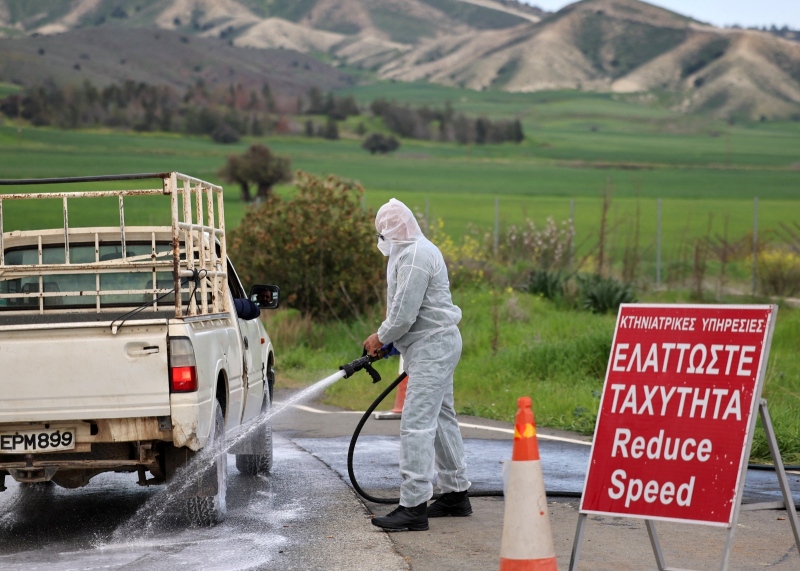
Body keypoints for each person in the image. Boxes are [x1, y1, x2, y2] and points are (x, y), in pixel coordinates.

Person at [363, 198, 471, 532]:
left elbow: (404, 313)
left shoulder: (415, 257)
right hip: (430, 344)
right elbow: (406, 312)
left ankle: (413, 506)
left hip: (433, 346)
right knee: (440, 418)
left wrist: (381, 338)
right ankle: (455, 494)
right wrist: (392, 339)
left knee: (416, 423)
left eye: (384, 232)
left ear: (390, 231)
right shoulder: (409, 251)